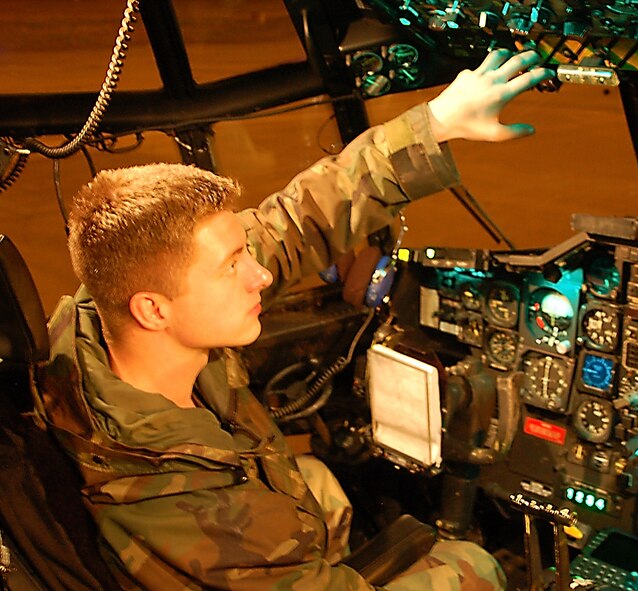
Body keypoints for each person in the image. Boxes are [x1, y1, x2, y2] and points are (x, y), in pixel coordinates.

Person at [38, 49, 553, 590]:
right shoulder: (197, 510)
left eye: (244, 253)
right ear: (154, 309)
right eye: (232, 266)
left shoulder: (106, 309)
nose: (260, 276)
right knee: (475, 566)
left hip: (269, 521)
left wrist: (437, 123)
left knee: (321, 483)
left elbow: (291, 222)